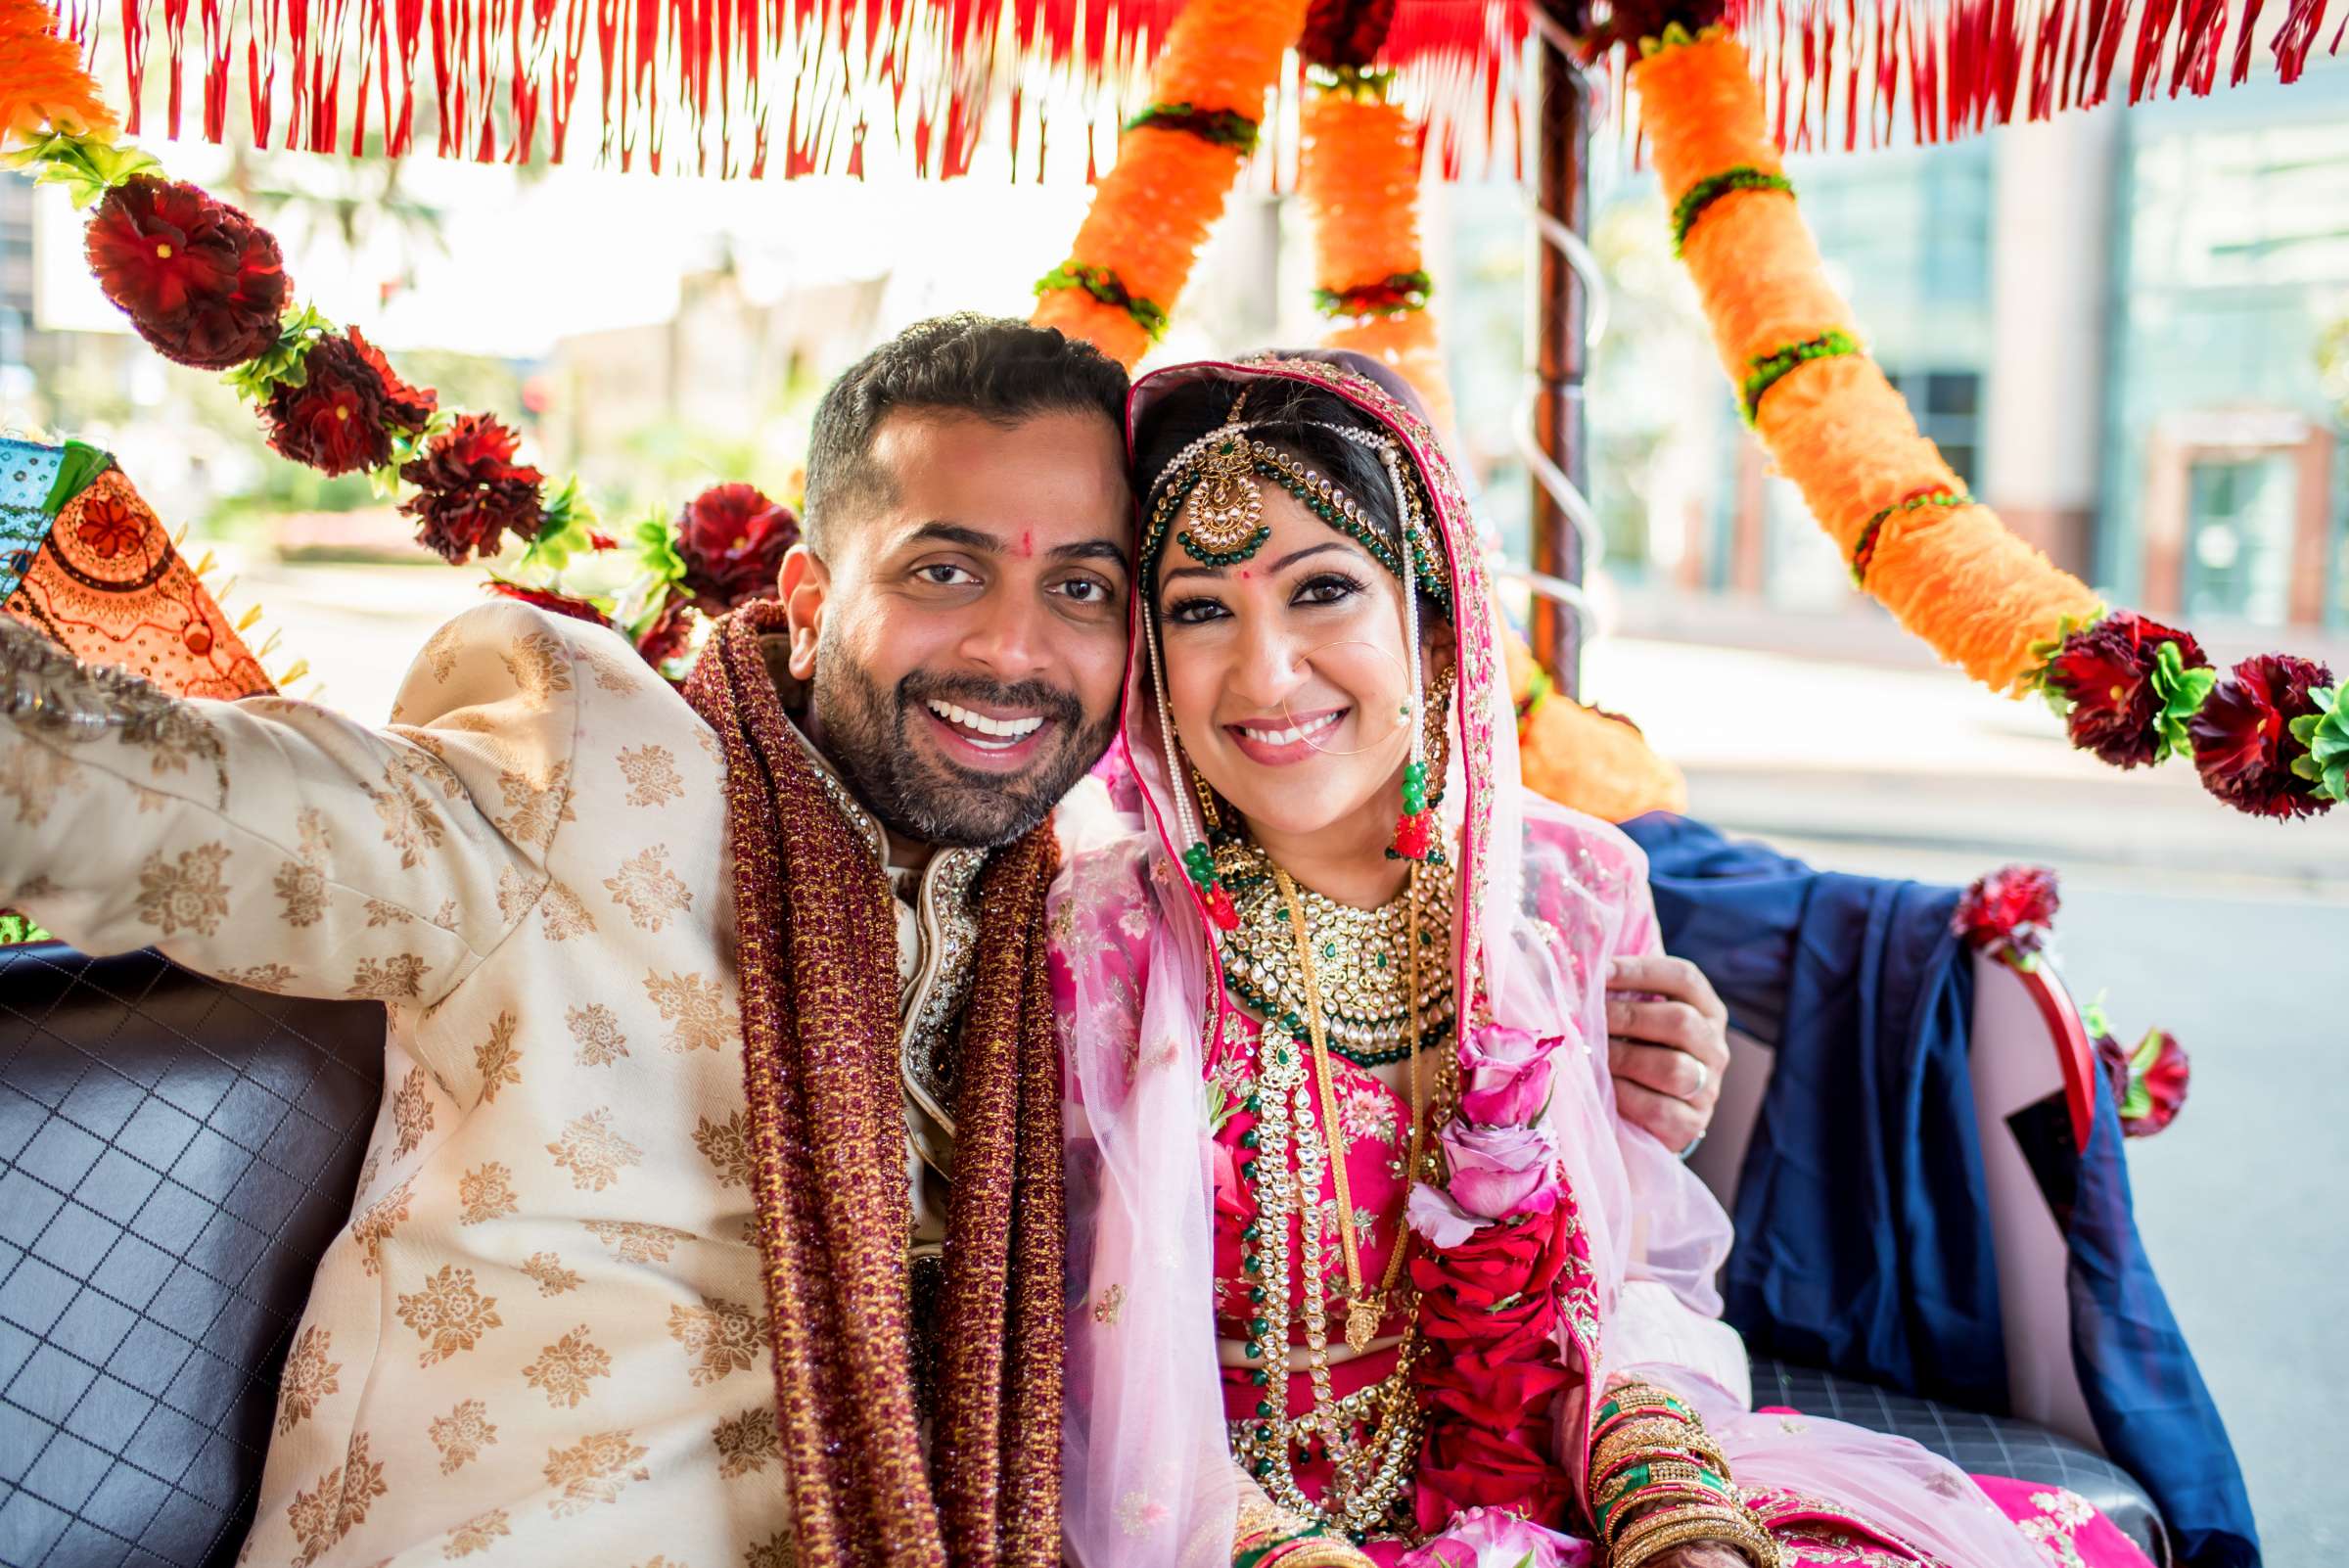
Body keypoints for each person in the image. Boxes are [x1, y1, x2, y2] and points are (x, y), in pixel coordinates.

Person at [0, 314, 1729, 1566]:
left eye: (1084, 592)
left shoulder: (1059, 909)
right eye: (946, 571)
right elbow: (120, 796)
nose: (1015, 650)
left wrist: (1614, 1064)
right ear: (816, 595)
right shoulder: (584, 777)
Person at [1048, 350, 2158, 1568]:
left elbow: (1626, 1287)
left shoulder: (1568, 893)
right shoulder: (1104, 938)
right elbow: (1084, 1376)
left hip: (1552, 1499)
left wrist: (1669, 1517)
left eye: (1321, 592)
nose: (1265, 674)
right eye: (1201, 610)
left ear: (1431, 614)